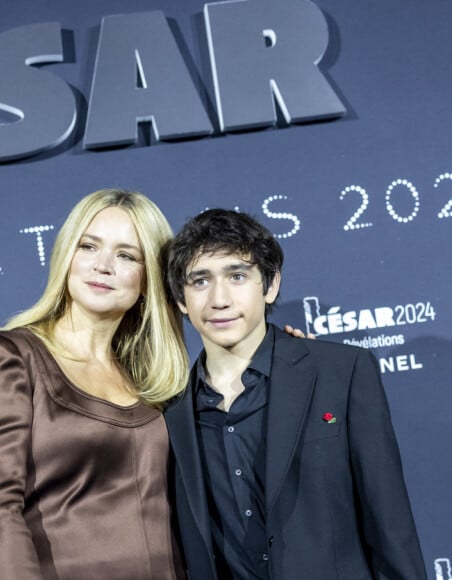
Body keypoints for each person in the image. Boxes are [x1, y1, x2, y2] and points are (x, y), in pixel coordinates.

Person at [164, 208, 427, 580]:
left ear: (269, 285)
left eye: (237, 276)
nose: (219, 299)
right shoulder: (168, 413)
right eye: (200, 281)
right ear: (180, 298)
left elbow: (391, 527)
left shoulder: (341, 372)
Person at [0, 189, 190, 580]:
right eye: (88, 246)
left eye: (126, 255)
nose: (102, 266)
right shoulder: (10, 358)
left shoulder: (155, 378)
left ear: (148, 279)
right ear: (66, 255)